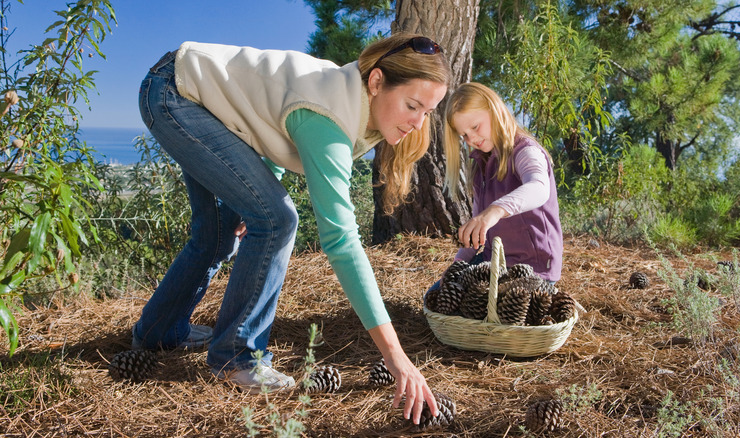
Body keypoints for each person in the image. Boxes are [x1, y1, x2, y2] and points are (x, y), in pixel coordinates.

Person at [132, 33, 450, 424]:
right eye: (413, 105)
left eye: (428, 111)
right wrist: (395, 355)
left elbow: (270, 126)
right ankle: (237, 357)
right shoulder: (330, 114)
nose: (418, 123)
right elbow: (342, 240)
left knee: (219, 231)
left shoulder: (361, 106)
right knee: (278, 220)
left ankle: (159, 331)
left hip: (190, 94)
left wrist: (256, 190)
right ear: (377, 81)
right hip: (177, 94)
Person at [441, 82, 562, 283]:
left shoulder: (525, 151)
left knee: (496, 314)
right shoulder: (481, 164)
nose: (472, 139)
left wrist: (495, 211)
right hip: (493, 263)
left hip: (534, 269)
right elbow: (479, 228)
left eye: (475, 127)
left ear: (494, 110)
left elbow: (539, 188)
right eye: (464, 135)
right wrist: (457, 264)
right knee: (436, 297)